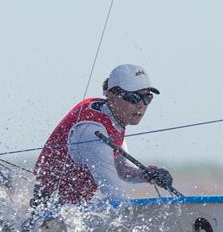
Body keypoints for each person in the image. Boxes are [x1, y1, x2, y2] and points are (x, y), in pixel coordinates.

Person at [30, 64, 174, 207]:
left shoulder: (113, 117)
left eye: (147, 98)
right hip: (51, 212)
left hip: (73, 211)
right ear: (112, 97)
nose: (141, 105)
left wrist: (146, 175)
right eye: (133, 97)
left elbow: (121, 169)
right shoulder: (92, 132)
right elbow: (115, 196)